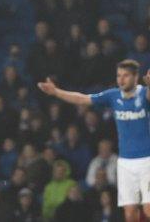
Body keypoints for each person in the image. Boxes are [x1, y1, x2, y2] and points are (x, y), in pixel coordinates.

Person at [38, 59, 150, 222]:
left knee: (148, 209)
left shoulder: (143, 93)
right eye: (119, 75)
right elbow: (82, 99)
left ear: (135, 77)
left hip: (147, 160)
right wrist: (56, 92)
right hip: (126, 162)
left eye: (125, 76)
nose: (121, 79)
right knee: (130, 214)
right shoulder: (113, 95)